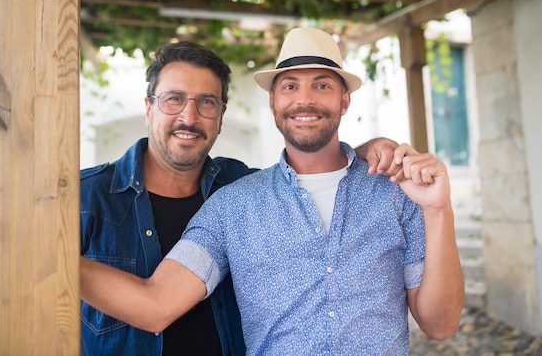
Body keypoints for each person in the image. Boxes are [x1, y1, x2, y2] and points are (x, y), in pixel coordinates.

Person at [0, 39, 406, 355]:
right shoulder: (85, 200)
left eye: (206, 103)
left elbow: (312, 170)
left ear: (220, 116)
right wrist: (13, 241)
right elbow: (29, 293)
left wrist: (369, 151)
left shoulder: (243, 192)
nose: (189, 116)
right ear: (148, 107)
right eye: (174, 100)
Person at [77, 27, 465, 355]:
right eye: (290, 86)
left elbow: (440, 324)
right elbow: (157, 303)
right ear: (273, 102)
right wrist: (48, 248)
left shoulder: (398, 193)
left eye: (323, 85)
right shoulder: (232, 203)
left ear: (345, 100)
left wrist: (438, 210)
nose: (305, 100)